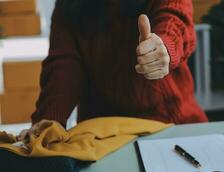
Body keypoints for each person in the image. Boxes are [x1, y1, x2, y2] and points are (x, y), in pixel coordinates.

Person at [18, 0, 208, 140]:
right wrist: (49, 121)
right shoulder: (67, 6)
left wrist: (164, 48)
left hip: (172, 127)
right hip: (101, 137)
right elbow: (64, 65)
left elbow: (175, 16)